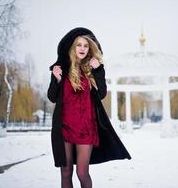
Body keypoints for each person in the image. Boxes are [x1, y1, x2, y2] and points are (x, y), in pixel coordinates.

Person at [47, 27, 131, 188]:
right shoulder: (61, 69)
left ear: (90, 48)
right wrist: (57, 80)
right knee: (65, 172)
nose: (82, 48)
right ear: (73, 47)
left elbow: (102, 94)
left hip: (86, 129)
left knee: (82, 173)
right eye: (79, 45)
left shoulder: (93, 68)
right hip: (64, 128)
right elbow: (52, 97)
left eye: (86, 45)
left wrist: (98, 70)